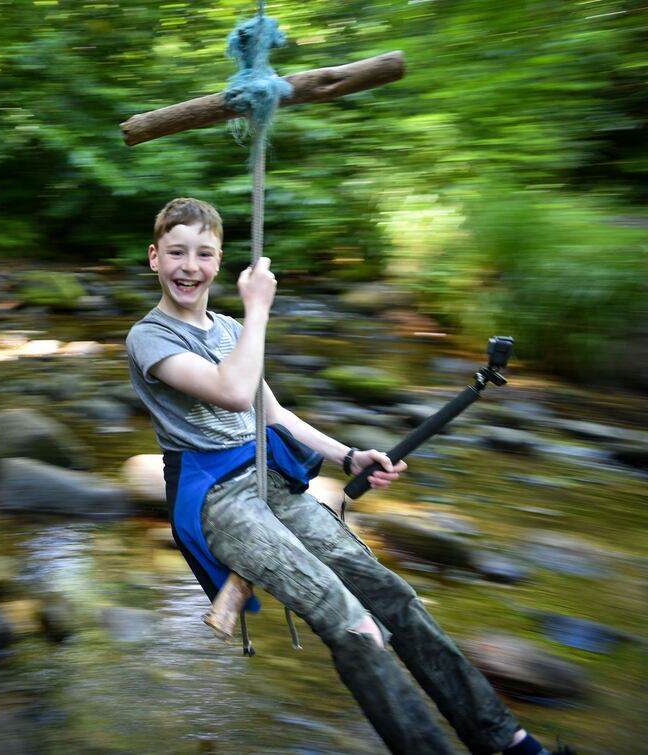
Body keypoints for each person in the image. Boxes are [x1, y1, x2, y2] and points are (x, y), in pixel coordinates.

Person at [126, 197, 574, 755]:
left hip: (271, 482)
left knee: (396, 599)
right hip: (218, 501)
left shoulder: (230, 329)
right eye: (176, 252)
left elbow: (272, 414)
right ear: (153, 258)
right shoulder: (150, 337)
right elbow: (233, 391)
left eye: (203, 253)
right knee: (353, 624)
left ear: (219, 262)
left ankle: (506, 741)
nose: (188, 266)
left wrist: (349, 456)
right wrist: (261, 310)